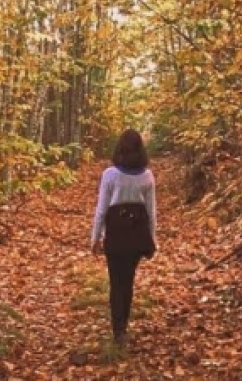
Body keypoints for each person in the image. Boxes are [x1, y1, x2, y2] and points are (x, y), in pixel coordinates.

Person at [91, 128, 157, 346]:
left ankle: (117, 328)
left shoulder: (110, 175)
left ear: (120, 148)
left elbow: (101, 209)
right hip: (136, 235)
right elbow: (151, 212)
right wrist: (152, 239)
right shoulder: (147, 176)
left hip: (116, 234)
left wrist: (96, 237)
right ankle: (123, 328)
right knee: (127, 281)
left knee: (115, 281)